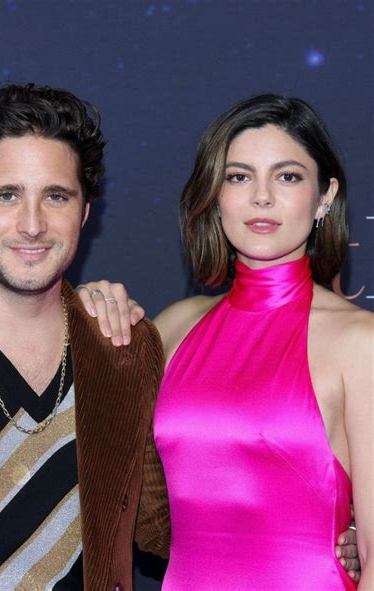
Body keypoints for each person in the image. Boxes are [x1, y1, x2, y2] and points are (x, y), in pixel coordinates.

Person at [78, 94, 371, 589]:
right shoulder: (173, 328)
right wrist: (80, 314)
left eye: (288, 176)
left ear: (325, 196)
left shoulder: (359, 343)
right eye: (238, 176)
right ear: (215, 195)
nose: (261, 197)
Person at [0, 83, 169, 590]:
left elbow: (165, 527)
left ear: (84, 212)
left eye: (55, 196)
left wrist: (331, 532)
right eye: (7, 195)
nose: (31, 224)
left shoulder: (126, 349)